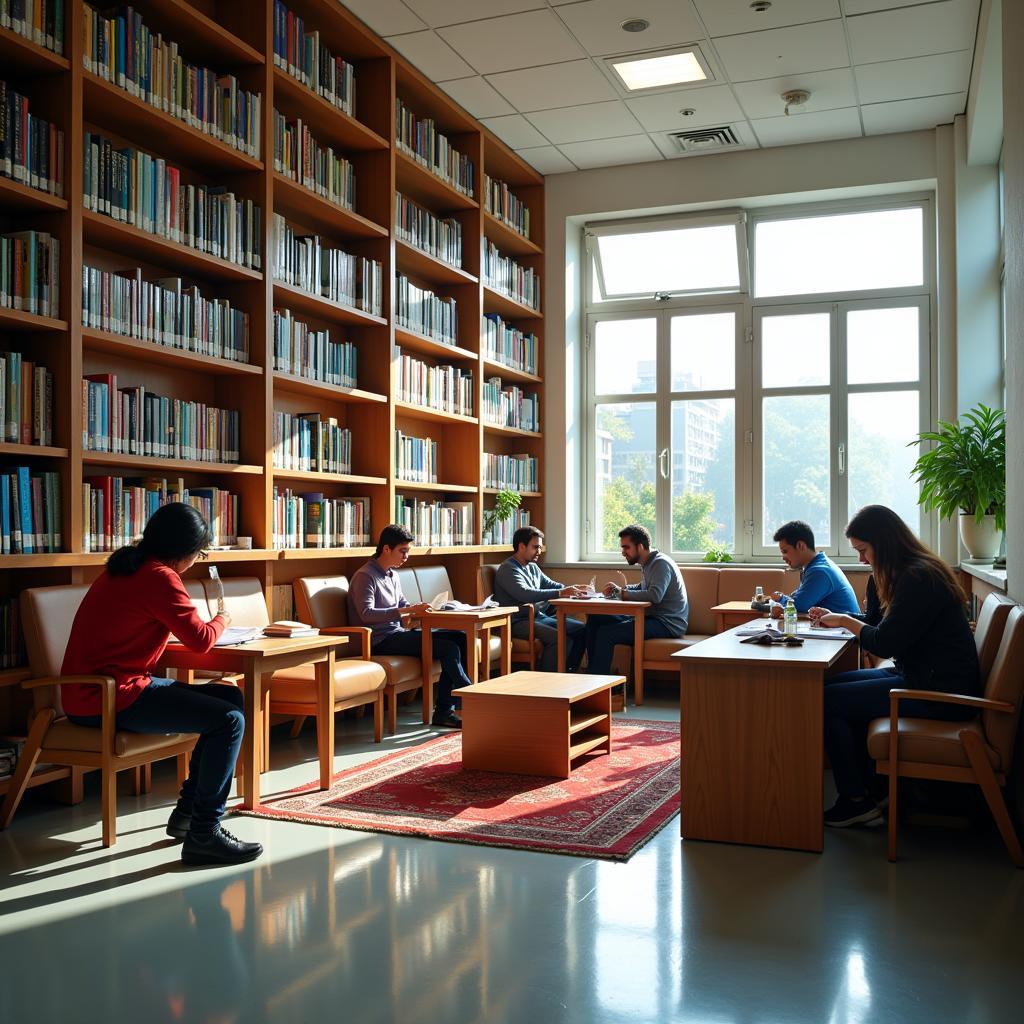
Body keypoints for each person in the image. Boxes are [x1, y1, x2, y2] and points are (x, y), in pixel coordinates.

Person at [62, 502, 263, 866]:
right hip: (110, 697)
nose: (197, 561)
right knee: (229, 720)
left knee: (230, 695)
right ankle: (204, 831)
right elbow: (201, 640)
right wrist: (222, 618)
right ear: (182, 550)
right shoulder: (159, 577)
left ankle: (188, 816)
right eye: (199, 553)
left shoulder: (125, 566)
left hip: (97, 691)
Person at [812, 505, 980, 828]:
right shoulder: (902, 573)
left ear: (883, 542)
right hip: (920, 675)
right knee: (827, 687)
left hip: (941, 692)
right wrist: (839, 621)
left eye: (863, 551)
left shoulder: (920, 578)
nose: (861, 560)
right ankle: (872, 789)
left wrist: (847, 620)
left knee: (827, 700)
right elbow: (877, 624)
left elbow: (884, 642)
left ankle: (856, 800)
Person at [348, 524, 471, 728]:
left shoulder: (392, 574)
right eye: (402, 551)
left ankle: (446, 709)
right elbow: (366, 614)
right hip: (379, 640)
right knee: (448, 648)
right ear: (386, 549)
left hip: (397, 634)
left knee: (459, 637)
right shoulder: (365, 576)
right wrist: (405, 611)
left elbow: (402, 603)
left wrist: (420, 608)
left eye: (407, 551)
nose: (406, 557)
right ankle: (465, 694)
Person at [583, 524, 688, 675]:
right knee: (595, 618)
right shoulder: (648, 563)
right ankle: (592, 674)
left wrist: (622, 594)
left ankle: (599, 685)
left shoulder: (660, 563)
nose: (623, 552)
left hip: (667, 624)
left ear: (639, 546)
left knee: (607, 633)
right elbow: (642, 587)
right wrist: (620, 589)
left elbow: (655, 595)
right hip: (651, 618)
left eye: (626, 547)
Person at [492, 526, 586, 672]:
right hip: (516, 621)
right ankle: (547, 680)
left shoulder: (533, 567)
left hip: (537, 617)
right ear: (521, 546)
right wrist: (561, 592)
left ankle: (569, 671)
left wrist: (574, 589)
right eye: (535, 547)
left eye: (540, 547)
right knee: (558, 637)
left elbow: (551, 585)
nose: (539, 551)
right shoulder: (508, 569)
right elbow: (525, 594)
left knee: (581, 629)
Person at [770, 520, 860, 618]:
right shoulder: (816, 565)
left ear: (800, 545)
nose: (783, 557)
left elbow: (798, 606)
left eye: (785, 551)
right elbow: (797, 598)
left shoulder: (819, 571)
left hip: (843, 630)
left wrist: (780, 599)